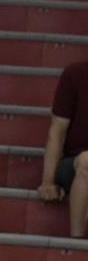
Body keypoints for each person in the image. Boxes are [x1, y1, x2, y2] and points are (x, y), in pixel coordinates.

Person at [38, 57, 88, 240]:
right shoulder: (75, 73)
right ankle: (77, 242)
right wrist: (47, 181)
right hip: (75, 163)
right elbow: (57, 131)